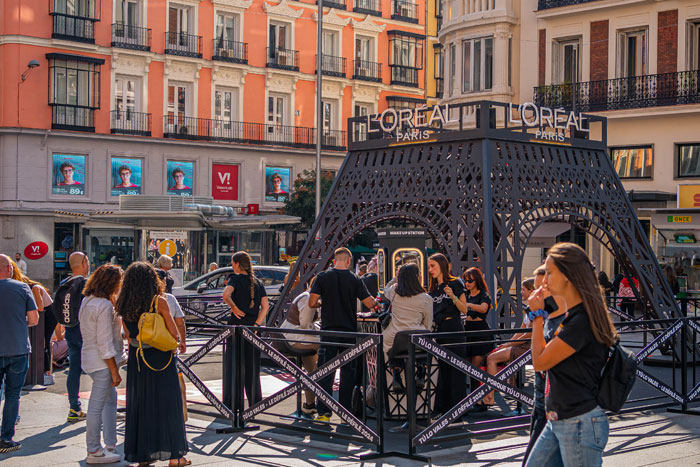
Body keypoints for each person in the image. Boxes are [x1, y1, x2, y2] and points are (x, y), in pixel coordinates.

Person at [525, 243, 616, 467]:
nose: (544, 279)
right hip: (561, 419)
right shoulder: (575, 315)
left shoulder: (581, 321)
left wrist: (537, 315)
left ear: (567, 275)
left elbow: (540, 361)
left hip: (578, 421)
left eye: (549, 272)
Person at [115, 262, 189, 467]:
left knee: (141, 405)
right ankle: (176, 456)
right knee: (168, 405)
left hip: (137, 357)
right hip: (161, 357)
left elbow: (127, 335)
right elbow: (174, 332)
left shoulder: (123, 302)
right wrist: (178, 342)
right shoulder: (160, 301)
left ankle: (143, 457)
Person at [308, 247, 378, 422]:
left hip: (328, 331)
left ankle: (324, 413)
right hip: (348, 331)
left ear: (334, 260)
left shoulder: (322, 277)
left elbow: (311, 302)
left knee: (325, 372)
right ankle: (346, 413)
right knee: (348, 373)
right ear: (349, 261)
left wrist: (324, 302)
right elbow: (370, 303)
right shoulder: (354, 279)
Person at [79, 264, 125, 464]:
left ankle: (109, 444)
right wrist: (114, 371)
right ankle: (95, 450)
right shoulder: (104, 306)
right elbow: (105, 343)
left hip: (90, 358)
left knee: (107, 402)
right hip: (103, 363)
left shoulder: (88, 301)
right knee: (98, 406)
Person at [0, 255, 39, 453]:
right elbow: (34, 319)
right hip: (17, 348)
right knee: (13, 394)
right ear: (9, 268)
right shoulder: (22, 287)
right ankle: (5, 438)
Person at [222, 251, 269, 408]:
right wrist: (257, 324)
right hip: (252, 329)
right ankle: (255, 402)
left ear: (236, 264)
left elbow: (225, 295)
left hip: (236, 328)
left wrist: (233, 307)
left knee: (234, 366)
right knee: (252, 366)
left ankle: (233, 403)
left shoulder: (234, 279)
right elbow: (265, 307)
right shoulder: (257, 283)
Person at [481, 278, 535, 407]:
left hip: (528, 346)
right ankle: (500, 391)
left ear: (531, 291)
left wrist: (510, 344)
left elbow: (529, 333)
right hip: (523, 344)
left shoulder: (534, 308)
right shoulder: (529, 307)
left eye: (523, 290)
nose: (521, 292)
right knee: (494, 355)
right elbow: (522, 329)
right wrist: (508, 342)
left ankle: (490, 396)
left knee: (491, 359)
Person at [427, 253, 468, 418]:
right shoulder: (432, 288)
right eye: (429, 266)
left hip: (454, 327)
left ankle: (457, 410)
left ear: (442, 266)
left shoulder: (455, 283)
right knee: (443, 370)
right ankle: (443, 409)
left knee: (456, 370)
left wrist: (452, 296)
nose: (430, 270)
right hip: (440, 330)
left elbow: (464, 309)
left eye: (433, 266)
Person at [382, 264, 433, 393]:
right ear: (417, 277)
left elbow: (385, 288)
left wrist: (396, 277)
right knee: (424, 344)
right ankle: (421, 370)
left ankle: (396, 374)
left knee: (392, 349)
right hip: (417, 337)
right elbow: (428, 323)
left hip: (396, 336)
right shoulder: (426, 299)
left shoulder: (394, 291)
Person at [280, 276, 320, 415]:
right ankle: (317, 380)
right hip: (294, 336)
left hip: (291, 335)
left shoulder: (305, 295)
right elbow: (305, 325)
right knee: (325, 347)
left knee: (312, 366)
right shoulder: (308, 299)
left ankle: (310, 403)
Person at [461, 267, 494, 411]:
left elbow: (483, 309)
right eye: (465, 280)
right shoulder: (464, 294)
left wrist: (467, 305)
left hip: (480, 333)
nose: (467, 283)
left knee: (476, 367)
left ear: (477, 280)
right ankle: (473, 399)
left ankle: (479, 400)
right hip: (467, 332)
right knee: (467, 367)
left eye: (470, 280)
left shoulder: (483, 295)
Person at [63, 251, 90, 422]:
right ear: (85, 263)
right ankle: (100, 408)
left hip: (70, 331)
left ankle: (74, 407)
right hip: (85, 333)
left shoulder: (64, 282)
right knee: (100, 370)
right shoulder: (86, 283)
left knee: (74, 370)